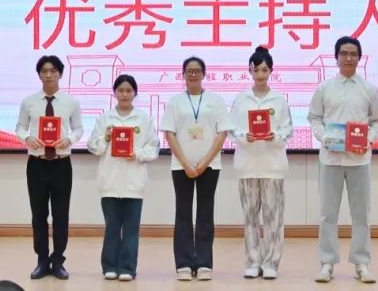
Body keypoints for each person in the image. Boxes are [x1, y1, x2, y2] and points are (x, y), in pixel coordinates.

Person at [307, 36, 378, 284]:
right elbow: (314, 118)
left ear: (359, 58)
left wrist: (368, 140)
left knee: (361, 215)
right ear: (336, 57)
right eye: (344, 53)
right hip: (330, 159)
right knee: (327, 214)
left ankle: (361, 263)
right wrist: (324, 137)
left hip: (359, 161)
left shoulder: (369, 89)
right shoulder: (324, 88)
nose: (348, 58)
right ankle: (327, 263)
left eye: (353, 54)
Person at [15, 55, 84, 281]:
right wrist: (27, 138)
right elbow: (20, 127)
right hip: (37, 164)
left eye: (53, 71)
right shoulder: (29, 102)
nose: (48, 74)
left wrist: (69, 139)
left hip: (61, 164)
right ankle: (42, 261)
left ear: (60, 74)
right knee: (39, 215)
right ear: (39, 75)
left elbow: (78, 129)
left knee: (61, 215)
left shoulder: (71, 102)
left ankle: (58, 261)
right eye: (44, 71)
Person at [161, 56, 231, 281]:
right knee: (182, 213)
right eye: (189, 71)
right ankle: (183, 263)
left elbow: (222, 133)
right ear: (183, 74)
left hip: (210, 165)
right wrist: (185, 163)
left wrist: (203, 163)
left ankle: (203, 263)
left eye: (197, 70)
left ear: (204, 74)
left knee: (205, 214)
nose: (193, 74)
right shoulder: (175, 102)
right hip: (180, 166)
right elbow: (169, 133)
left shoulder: (215, 100)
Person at [228, 45, 293, 280]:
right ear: (250, 71)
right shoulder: (241, 99)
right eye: (256, 70)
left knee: (273, 217)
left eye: (264, 70)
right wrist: (243, 136)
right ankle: (253, 261)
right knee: (250, 217)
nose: (260, 75)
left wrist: (275, 136)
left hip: (272, 165)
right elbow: (231, 128)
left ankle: (271, 262)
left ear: (271, 71)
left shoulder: (279, 100)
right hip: (247, 165)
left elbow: (288, 129)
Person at [86, 74, 160, 281]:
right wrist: (105, 138)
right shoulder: (105, 119)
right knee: (111, 227)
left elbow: (153, 147)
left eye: (129, 90)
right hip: (109, 180)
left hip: (134, 181)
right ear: (114, 93)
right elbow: (93, 147)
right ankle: (109, 266)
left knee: (131, 228)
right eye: (121, 90)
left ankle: (127, 267)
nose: (125, 94)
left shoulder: (143, 119)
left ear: (135, 93)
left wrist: (137, 154)